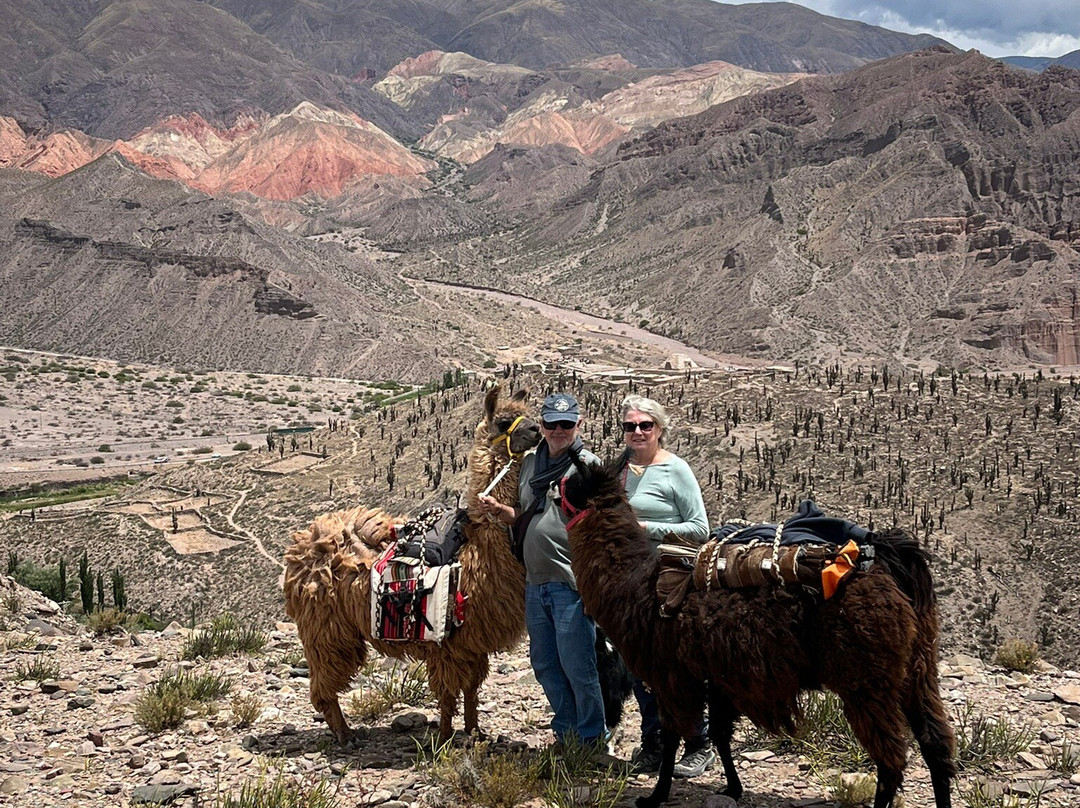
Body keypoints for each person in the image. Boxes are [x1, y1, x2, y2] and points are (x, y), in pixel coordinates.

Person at [477, 391, 607, 750]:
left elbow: (604, 526)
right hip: (535, 583)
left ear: (578, 425)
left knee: (579, 668)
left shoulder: (588, 466)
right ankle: (565, 734)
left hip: (570, 583)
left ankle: (593, 740)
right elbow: (524, 515)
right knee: (546, 665)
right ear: (545, 426)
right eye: (551, 423)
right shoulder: (531, 464)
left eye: (567, 424)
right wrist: (500, 512)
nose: (558, 430)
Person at [619, 394, 713, 778]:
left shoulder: (676, 470)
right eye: (631, 426)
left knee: (675, 664)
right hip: (630, 582)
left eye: (646, 425)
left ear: (659, 429)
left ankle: (698, 742)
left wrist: (647, 529)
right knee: (639, 665)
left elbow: (699, 528)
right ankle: (654, 741)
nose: (638, 432)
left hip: (671, 577)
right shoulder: (620, 472)